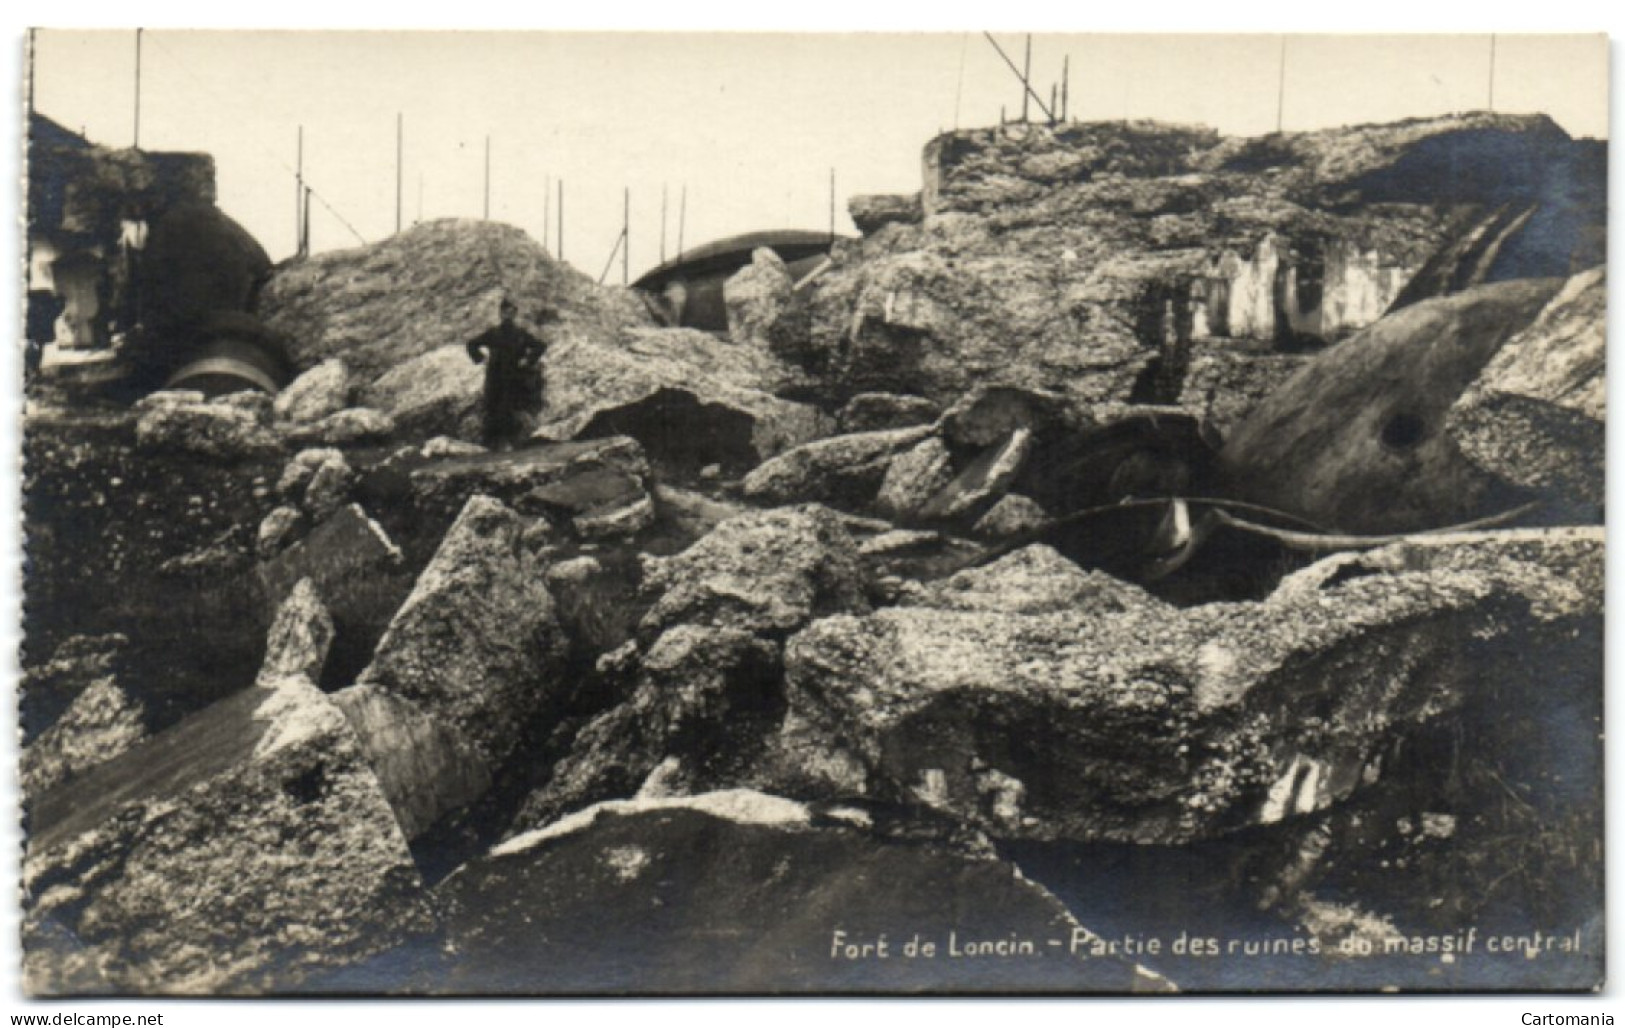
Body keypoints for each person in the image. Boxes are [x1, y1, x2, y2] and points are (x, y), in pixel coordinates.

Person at [466, 297, 549, 447]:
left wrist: (528, 360)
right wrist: (481, 358)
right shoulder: (493, 333)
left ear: (515, 315)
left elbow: (540, 346)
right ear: (500, 314)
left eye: (511, 313)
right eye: (506, 313)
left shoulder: (520, 334)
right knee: (491, 407)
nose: (508, 316)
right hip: (494, 377)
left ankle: (512, 443)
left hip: (514, 377)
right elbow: (471, 344)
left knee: (510, 408)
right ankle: (490, 444)